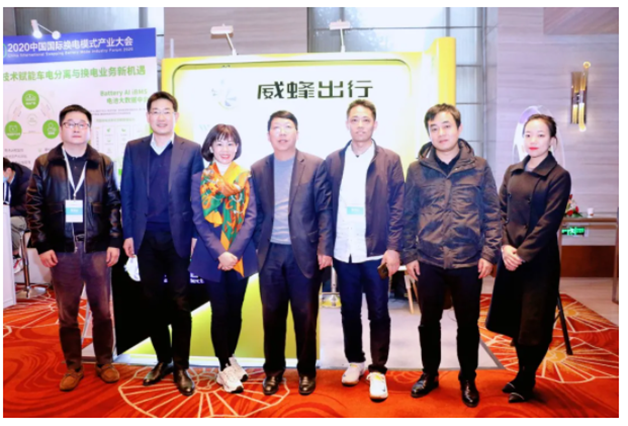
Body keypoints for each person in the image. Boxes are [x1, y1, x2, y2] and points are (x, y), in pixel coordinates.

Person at [401, 103, 501, 407]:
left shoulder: (479, 167)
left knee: (468, 325)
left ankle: (468, 378)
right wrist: (409, 255)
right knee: (428, 323)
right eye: (434, 128)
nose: (441, 133)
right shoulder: (416, 170)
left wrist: (489, 254)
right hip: (428, 260)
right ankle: (429, 374)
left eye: (446, 126)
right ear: (429, 133)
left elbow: (492, 213)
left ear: (459, 129)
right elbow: (408, 215)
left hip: (468, 260)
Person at [25, 104, 122, 391]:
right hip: (62, 250)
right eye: (71, 123)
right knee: (67, 314)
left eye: (82, 124)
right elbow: (33, 205)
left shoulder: (103, 162)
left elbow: (113, 205)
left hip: (96, 249)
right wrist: (42, 245)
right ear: (61, 128)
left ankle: (104, 362)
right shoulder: (45, 163)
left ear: (89, 129)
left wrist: (114, 241)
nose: (77, 128)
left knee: (102, 311)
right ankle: (73, 366)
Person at [121, 91, 203, 396]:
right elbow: (127, 194)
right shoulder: (134, 149)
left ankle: (181, 366)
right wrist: (128, 234)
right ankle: (162, 360)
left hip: (178, 238)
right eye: (155, 111)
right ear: (148, 117)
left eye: (166, 111)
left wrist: (195, 235)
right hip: (145, 239)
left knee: (181, 304)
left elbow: (197, 197)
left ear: (175, 116)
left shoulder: (191, 150)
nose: (161, 116)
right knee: (151, 302)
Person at [486, 114, 571, 403]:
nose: (533, 141)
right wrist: (504, 247)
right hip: (510, 257)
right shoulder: (513, 171)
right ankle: (521, 373)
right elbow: (499, 212)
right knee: (515, 319)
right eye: (528, 135)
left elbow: (549, 223)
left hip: (538, 262)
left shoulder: (558, 176)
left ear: (552, 141)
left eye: (540, 135)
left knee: (533, 322)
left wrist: (521, 254)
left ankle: (527, 377)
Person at [324, 99, 404, 401]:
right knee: (349, 311)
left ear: (375, 124)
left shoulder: (390, 160)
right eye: (355, 120)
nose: (360, 125)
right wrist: (325, 246)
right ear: (347, 124)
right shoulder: (333, 160)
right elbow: (325, 208)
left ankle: (378, 369)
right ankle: (355, 361)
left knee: (379, 311)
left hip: (376, 253)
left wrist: (394, 248)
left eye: (366, 120)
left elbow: (398, 208)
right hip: (343, 251)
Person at [250, 110, 333, 396]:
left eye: (288, 127)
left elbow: (325, 210)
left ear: (297, 133)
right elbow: (255, 212)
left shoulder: (315, 165)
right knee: (272, 317)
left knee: (305, 317)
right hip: (270, 254)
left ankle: (307, 371)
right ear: (268, 135)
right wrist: (258, 244)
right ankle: (273, 371)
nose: (282, 133)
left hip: (304, 254)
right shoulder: (258, 168)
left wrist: (324, 248)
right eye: (277, 128)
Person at [189, 124, 257, 393]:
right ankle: (224, 368)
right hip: (212, 256)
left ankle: (229, 358)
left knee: (235, 311)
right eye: (219, 143)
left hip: (240, 256)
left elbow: (251, 217)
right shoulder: (200, 179)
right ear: (210, 147)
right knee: (219, 312)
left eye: (230, 143)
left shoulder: (246, 176)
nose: (225, 149)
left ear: (237, 146)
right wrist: (221, 252)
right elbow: (199, 219)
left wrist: (234, 253)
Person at [3, 157, 32, 273]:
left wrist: (5, 212)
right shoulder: (5, 180)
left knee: (9, 223)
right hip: (10, 213)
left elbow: (26, 207)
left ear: (8, 171)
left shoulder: (26, 180)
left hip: (29, 217)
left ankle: (15, 256)